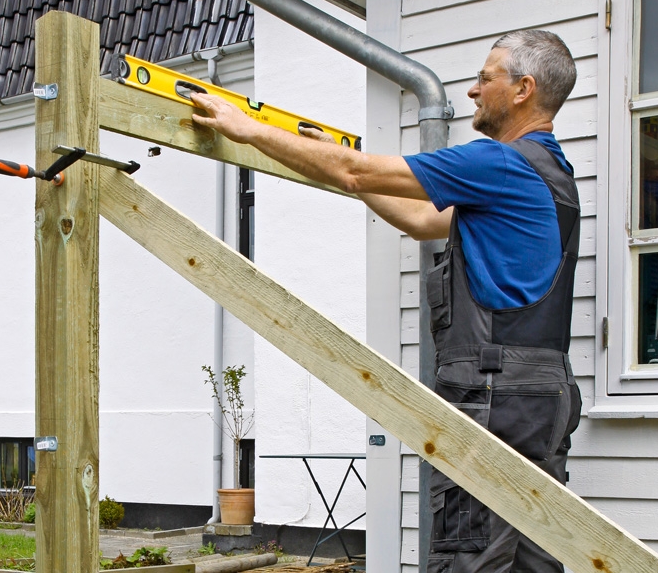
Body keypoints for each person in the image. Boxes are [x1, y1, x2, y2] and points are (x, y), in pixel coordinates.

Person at [191, 29, 583, 573]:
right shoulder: (553, 177)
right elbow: (422, 220)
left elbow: (356, 173)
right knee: (534, 558)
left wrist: (248, 129)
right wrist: (333, 160)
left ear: (523, 89)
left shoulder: (500, 163)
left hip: (493, 394)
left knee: (470, 557)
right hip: (543, 396)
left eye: (484, 78)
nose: (473, 90)